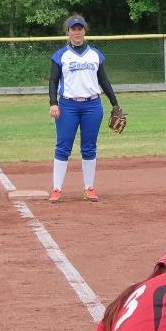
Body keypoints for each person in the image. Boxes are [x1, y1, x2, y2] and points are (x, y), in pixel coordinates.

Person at [47, 14, 120, 204]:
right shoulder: (61, 55)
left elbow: (103, 80)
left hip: (92, 105)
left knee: (89, 147)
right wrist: (53, 103)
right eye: (73, 29)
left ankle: (89, 188)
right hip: (68, 105)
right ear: (68, 32)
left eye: (80, 28)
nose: (77, 32)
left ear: (84, 31)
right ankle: (57, 189)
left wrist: (115, 103)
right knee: (63, 147)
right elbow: (53, 81)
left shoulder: (95, 54)